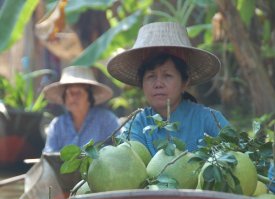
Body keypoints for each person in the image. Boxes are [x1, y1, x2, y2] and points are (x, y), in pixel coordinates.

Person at [107, 22, 229, 156]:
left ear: (184, 83)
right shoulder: (136, 126)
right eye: (151, 76)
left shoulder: (209, 119)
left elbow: (236, 154)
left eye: (167, 76)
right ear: (141, 84)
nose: (158, 84)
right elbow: (131, 165)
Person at [42, 66, 120, 152]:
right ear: (64, 97)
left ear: (90, 97)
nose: (73, 98)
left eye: (78, 93)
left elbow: (119, 149)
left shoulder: (107, 120)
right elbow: (49, 155)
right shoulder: (57, 125)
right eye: (70, 93)